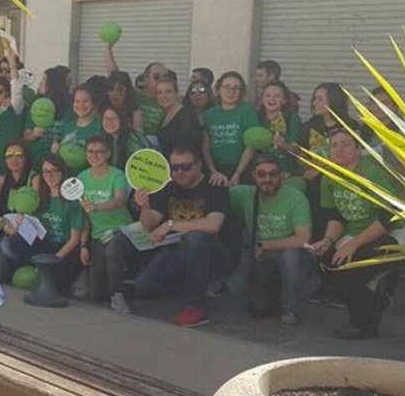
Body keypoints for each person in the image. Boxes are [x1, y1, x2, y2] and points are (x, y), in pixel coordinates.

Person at [105, 145, 232, 327]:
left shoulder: (214, 186)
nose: (179, 172)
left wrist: (171, 224)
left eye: (185, 167)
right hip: (175, 252)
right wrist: (145, 206)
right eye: (175, 167)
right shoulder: (168, 187)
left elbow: (213, 225)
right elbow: (149, 224)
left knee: (196, 237)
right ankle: (117, 292)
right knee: (142, 283)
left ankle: (193, 306)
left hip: (212, 254)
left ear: (198, 165)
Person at [308, 129, 399, 339]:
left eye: (346, 144)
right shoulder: (329, 177)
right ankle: (375, 302)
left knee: (350, 268)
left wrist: (353, 244)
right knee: (329, 261)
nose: (339, 150)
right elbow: (335, 216)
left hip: (391, 233)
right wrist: (328, 239)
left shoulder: (371, 172)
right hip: (354, 232)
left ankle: (362, 324)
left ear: (358, 149)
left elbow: (389, 216)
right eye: (334, 145)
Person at [230, 156, 314, 324]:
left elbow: (304, 239)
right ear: (253, 176)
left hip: (291, 259)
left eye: (273, 174)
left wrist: (266, 245)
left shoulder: (295, 198)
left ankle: (290, 309)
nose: (267, 179)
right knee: (236, 290)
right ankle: (272, 295)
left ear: (281, 176)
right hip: (261, 262)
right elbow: (214, 196)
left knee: (291, 258)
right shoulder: (244, 194)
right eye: (261, 174)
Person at [0, 154, 85, 290]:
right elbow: (30, 228)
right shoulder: (39, 197)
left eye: (54, 171)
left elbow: (74, 239)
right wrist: (17, 224)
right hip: (42, 245)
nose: (50, 175)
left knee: (54, 286)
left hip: (62, 251)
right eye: (46, 171)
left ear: (62, 172)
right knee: (10, 242)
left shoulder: (72, 202)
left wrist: (51, 261)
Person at [76, 136, 134, 307]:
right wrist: (83, 245)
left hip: (121, 229)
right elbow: (84, 216)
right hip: (97, 234)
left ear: (108, 153)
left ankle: (118, 295)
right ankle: (132, 287)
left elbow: (119, 200)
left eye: (99, 151)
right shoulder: (81, 177)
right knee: (95, 293)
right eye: (90, 151)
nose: (94, 155)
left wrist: (96, 206)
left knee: (113, 249)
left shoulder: (117, 175)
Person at [202, 72, 259, 187]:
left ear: (241, 92)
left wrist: (238, 172)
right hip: (216, 169)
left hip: (243, 168)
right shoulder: (209, 114)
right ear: (218, 89)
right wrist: (213, 171)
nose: (231, 92)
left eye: (236, 88)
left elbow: (251, 145)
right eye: (226, 87)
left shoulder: (247, 110)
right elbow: (205, 147)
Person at [24, 65, 71, 167]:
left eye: (44, 80)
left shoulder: (69, 107)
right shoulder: (37, 105)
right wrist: (33, 134)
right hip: (36, 160)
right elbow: (25, 136)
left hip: (60, 161)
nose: (40, 83)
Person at [257, 81, 302, 179]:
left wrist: (284, 145)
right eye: (267, 95)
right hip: (261, 175)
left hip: (287, 174)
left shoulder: (293, 119)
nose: (271, 99)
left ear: (284, 100)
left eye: (277, 96)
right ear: (262, 99)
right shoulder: (256, 118)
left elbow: (298, 151)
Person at [52, 84, 102, 171]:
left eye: (85, 101)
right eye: (77, 101)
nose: (81, 105)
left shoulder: (100, 127)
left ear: (93, 103)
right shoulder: (67, 126)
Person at [154, 75, 204, 159]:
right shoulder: (164, 116)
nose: (163, 96)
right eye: (159, 92)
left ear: (176, 93)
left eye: (168, 91)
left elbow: (188, 148)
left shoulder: (187, 115)